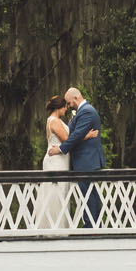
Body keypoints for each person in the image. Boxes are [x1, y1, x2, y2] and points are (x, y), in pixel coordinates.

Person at [45, 88, 106, 226]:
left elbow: (75, 136)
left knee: (89, 193)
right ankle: (94, 224)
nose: (68, 106)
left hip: (87, 160)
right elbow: (73, 136)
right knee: (89, 193)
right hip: (82, 160)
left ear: (76, 98)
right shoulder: (81, 112)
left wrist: (60, 149)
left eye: (69, 103)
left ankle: (92, 225)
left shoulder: (87, 112)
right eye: (66, 104)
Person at [37, 96, 75, 230]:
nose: (66, 109)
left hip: (58, 159)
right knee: (56, 193)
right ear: (59, 107)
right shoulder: (55, 122)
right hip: (56, 161)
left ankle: (57, 226)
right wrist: (86, 136)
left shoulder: (52, 120)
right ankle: (55, 228)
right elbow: (68, 140)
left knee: (59, 192)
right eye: (64, 107)